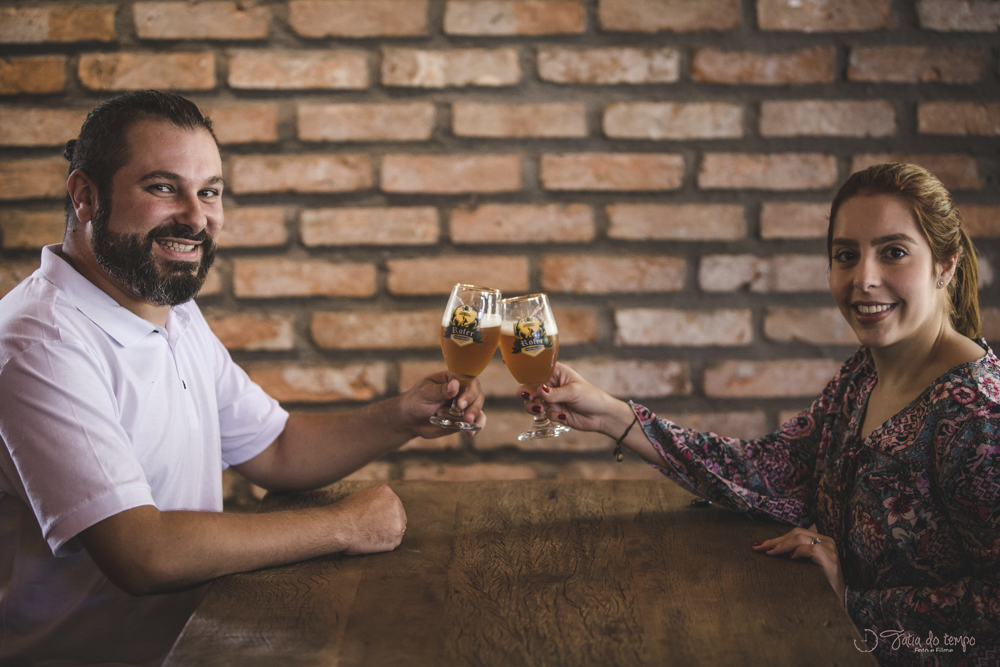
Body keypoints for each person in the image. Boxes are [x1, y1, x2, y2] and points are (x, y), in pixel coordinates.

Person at [0, 90, 485, 665]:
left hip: (197, 642)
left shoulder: (171, 312)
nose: (196, 217)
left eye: (209, 191)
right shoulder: (40, 344)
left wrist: (401, 417)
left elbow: (276, 450)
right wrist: (343, 526)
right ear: (85, 196)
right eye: (163, 187)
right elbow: (142, 553)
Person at [521, 163, 999, 665]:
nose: (864, 278)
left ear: (945, 265)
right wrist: (612, 416)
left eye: (893, 252)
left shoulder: (979, 417)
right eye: (846, 255)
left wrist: (852, 602)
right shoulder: (864, 375)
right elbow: (773, 469)